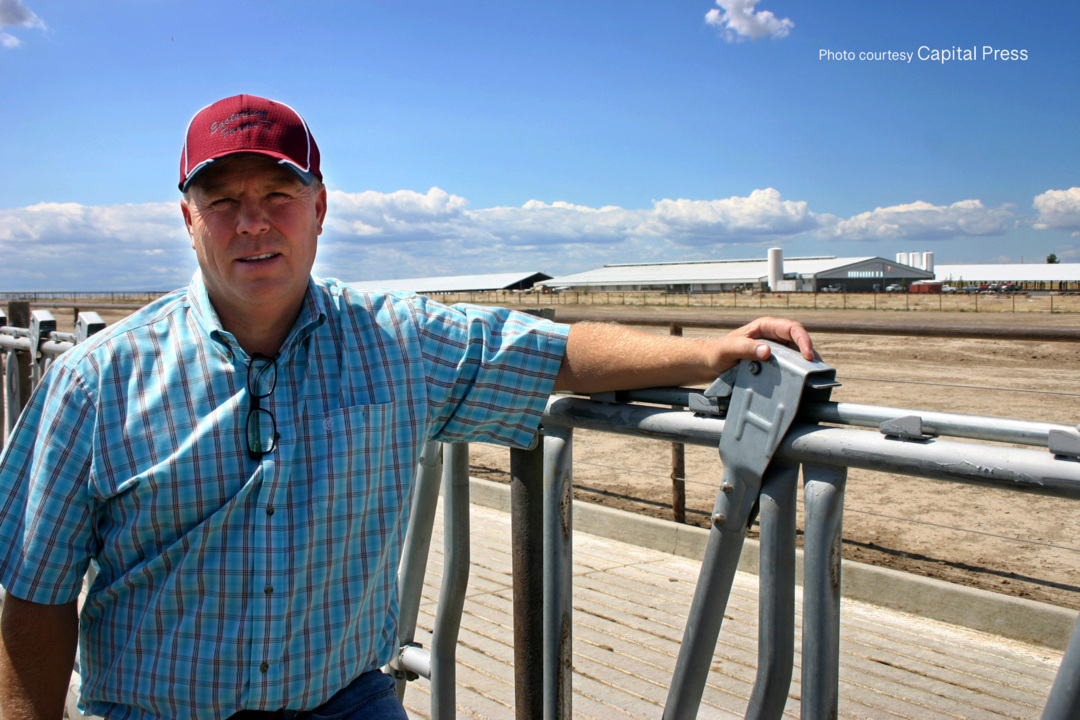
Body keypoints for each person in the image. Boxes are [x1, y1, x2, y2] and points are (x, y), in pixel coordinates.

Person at [0, 94, 815, 720]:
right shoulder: (96, 381)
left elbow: (552, 352)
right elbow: (33, 595)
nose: (253, 224)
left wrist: (710, 350)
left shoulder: (398, 340)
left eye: (279, 195)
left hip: (343, 699)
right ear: (188, 221)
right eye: (222, 201)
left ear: (320, 210)